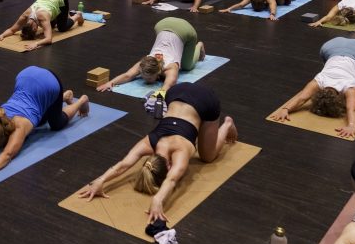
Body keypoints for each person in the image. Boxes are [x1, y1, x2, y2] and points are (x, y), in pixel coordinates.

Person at [76, 82, 237, 224]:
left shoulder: (179, 151)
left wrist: (158, 199)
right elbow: (123, 165)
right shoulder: (148, 143)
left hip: (205, 99)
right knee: (200, 136)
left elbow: (172, 179)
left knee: (207, 157)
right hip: (175, 92)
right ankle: (201, 124)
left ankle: (227, 124)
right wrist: (100, 181)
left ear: (167, 165)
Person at [270, 37, 355, 138]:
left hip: (348, 49)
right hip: (336, 47)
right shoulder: (320, 81)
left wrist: (352, 126)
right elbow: (302, 98)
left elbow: (351, 109)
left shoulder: (347, 86)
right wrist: (285, 110)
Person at [98, 17, 204, 95]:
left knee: (187, 66)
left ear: (158, 73)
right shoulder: (144, 63)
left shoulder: (171, 67)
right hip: (162, 24)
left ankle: (199, 46)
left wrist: (155, 98)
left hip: (185, 29)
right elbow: (128, 75)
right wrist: (110, 83)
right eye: (144, 77)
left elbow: (167, 86)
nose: (146, 80)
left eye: (149, 78)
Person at [0, 0, 85, 51]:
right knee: (50, 26)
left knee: (61, 28)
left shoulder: (42, 18)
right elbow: (12, 30)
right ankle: (61, 15)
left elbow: (48, 39)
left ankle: (77, 16)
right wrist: (1, 35)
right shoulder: (25, 15)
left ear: (35, 29)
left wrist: (36, 43)